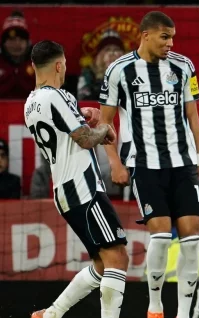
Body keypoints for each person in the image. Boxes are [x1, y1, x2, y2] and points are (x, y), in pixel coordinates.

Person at [98, 11, 199, 318]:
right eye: (164, 37)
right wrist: (115, 164)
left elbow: (193, 116)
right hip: (144, 164)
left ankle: (184, 313)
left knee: (192, 239)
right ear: (145, 35)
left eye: (172, 37)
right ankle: (155, 305)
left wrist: (198, 156)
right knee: (159, 236)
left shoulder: (184, 67)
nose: (170, 43)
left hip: (182, 162)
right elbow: (106, 123)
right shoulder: (119, 70)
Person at [25, 40, 128, 318]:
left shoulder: (31, 103)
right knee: (117, 256)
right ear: (60, 65)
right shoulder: (54, 96)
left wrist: (84, 115)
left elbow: (66, 129)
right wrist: (104, 129)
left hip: (65, 189)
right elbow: (83, 139)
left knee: (102, 264)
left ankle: (52, 314)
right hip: (82, 187)